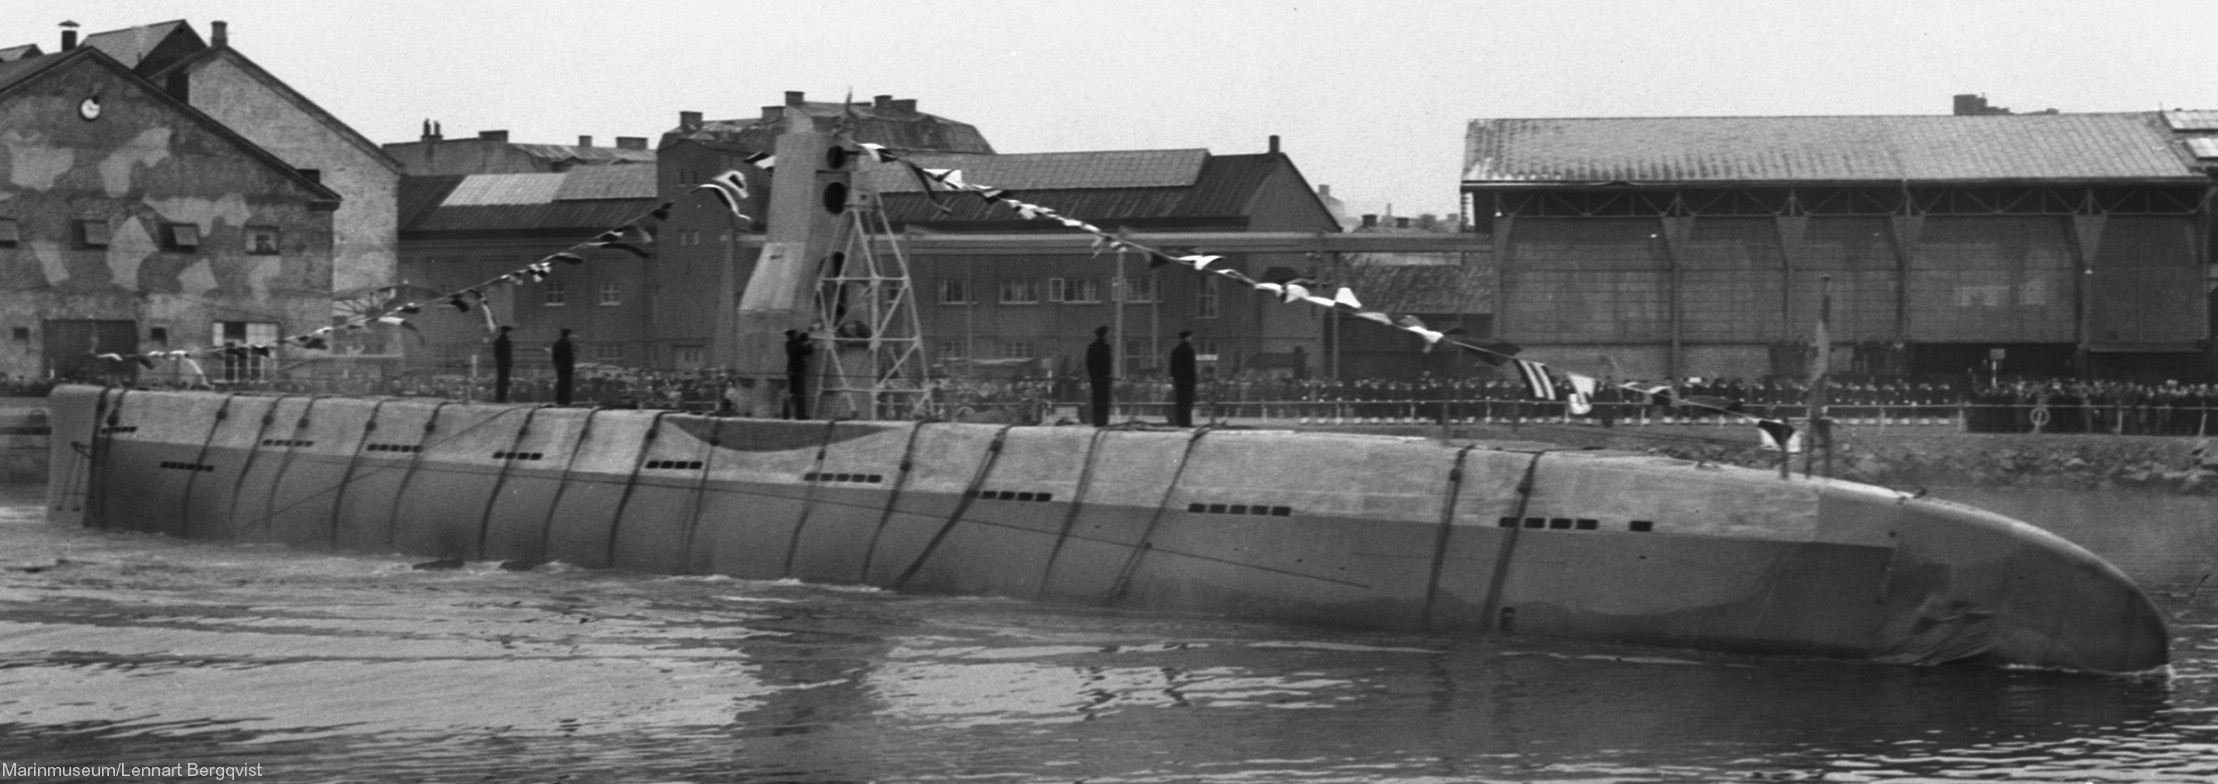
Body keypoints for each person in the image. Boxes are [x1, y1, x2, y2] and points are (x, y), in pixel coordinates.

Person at [1086, 325, 1113, 426]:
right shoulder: (1105, 346)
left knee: (1096, 400)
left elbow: (1089, 363)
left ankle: (1096, 421)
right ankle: (1103, 421)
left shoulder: (1092, 347)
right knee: (1104, 401)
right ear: (1105, 335)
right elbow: (1107, 363)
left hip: (1095, 379)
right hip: (1103, 379)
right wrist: (1107, 375)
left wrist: (1093, 376)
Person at [1169, 330, 1197, 427]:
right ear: (1187, 337)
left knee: (1180, 401)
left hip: (1178, 381)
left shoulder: (1175, 351)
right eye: (1190, 337)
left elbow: (1172, 367)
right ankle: (1186, 422)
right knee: (1187, 402)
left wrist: (1174, 377)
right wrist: (1194, 379)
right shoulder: (1190, 351)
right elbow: (1191, 367)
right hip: (1188, 381)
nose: (1192, 338)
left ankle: (1180, 421)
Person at [784, 328, 813, 420]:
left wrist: (805, 339)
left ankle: (792, 414)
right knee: (799, 394)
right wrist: (806, 339)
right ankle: (799, 415)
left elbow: (807, 351)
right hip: (796, 372)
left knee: (794, 394)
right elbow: (805, 350)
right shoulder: (791, 344)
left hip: (794, 371)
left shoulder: (791, 344)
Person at [551, 328, 575, 406]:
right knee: (567, 384)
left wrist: (557, 364)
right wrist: (571, 363)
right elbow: (569, 356)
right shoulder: (568, 343)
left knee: (560, 383)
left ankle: (559, 400)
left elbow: (554, 356)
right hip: (567, 367)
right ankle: (566, 400)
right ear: (567, 334)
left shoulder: (556, 344)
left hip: (560, 367)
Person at [492, 325, 514, 403]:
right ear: (507, 332)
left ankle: (499, 397)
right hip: (505, 363)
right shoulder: (506, 341)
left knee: (500, 380)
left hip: (500, 363)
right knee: (504, 381)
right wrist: (509, 362)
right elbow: (508, 354)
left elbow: (496, 353)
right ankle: (503, 397)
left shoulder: (498, 341)